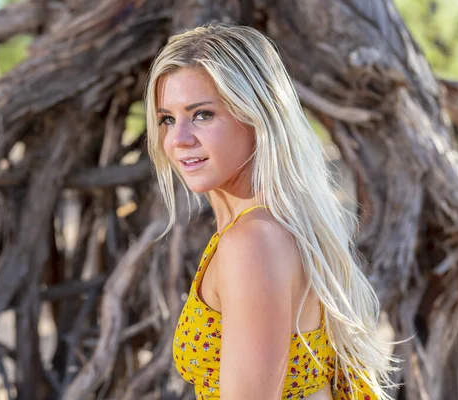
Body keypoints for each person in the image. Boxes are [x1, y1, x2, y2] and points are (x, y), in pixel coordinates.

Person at [144, 23, 397, 400]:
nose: (178, 139)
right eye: (167, 119)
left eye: (201, 115)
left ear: (255, 115)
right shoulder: (265, 228)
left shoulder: (254, 241)